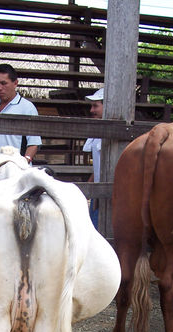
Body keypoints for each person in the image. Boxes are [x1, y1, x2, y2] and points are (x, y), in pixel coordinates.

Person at [83, 88, 103, 230]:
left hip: (106, 192)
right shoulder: (97, 131)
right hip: (98, 191)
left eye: (95, 106)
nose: (91, 110)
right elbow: (98, 166)